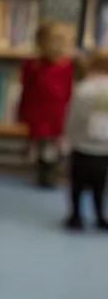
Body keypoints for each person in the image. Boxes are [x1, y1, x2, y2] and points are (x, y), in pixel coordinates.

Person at [18, 21, 74, 187]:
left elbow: (69, 92)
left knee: (55, 146)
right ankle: (45, 171)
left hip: (58, 114)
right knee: (42, 145)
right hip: (38, 113)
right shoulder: (32, 65)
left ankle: (52, 171)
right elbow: (26, 90)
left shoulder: (68, 66)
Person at [64, 49, 108, 230]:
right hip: (104, 150)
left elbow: (72, 118)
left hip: (81, 148)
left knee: (77, 185)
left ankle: (76, 216)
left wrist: (68, 138)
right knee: (100, 187)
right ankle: (100, 217)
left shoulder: (83, 90)